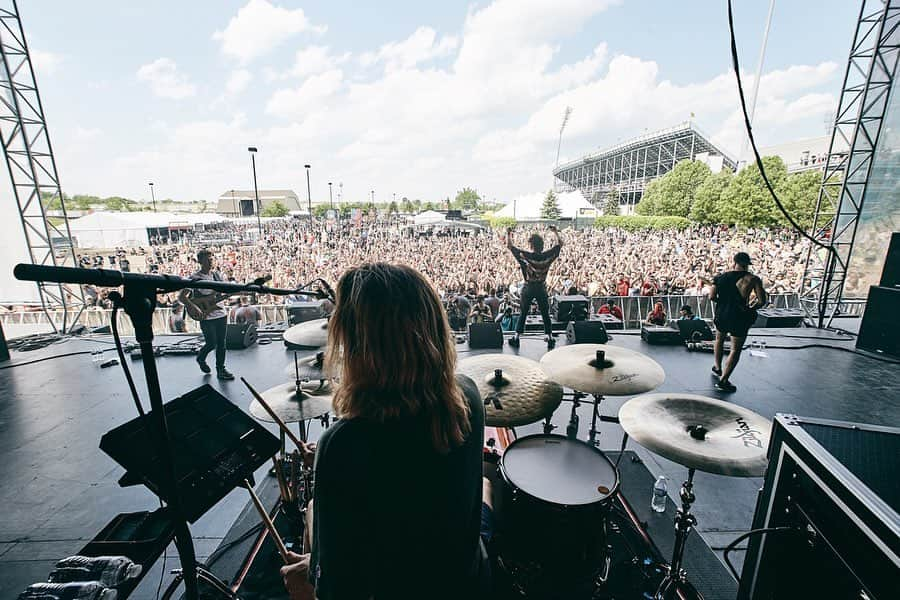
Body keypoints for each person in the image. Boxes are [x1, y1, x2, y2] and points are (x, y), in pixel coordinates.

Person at [280, 263, 491, 600]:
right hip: (466, 574)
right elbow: (416, 487)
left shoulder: (344, 444)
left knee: (308, 526)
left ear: (359, 345)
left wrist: (309, 581)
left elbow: (339, 592)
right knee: (486, 487)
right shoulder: (467, 396)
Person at [709, 252, 767, 393]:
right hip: (740, 316)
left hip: (722, 314)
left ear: (734, 262)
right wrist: (750, 308)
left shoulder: (720, 278)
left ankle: (717, 367)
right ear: (747, 264)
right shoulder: (753, 279)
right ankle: (723, 381)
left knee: (719, 339)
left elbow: (711, 296)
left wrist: (724, 303)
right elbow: (762, 301)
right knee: (735, 349)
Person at [179, 249, 234, 380]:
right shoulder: (194, 278)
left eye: (211, 259)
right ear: (200, 261)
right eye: (207, 259)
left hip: (221, 313)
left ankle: (221, 369)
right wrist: (193, 307)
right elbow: (182, 297)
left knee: (222, 343)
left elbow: (221, 293)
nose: (211, 261)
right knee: (211, 343)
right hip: (206, 316)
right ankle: (201, 358)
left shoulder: (217, 276)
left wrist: (231, 292)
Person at [506, 225, 563, 348]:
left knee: (523, 312)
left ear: (531, 245)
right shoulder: (547, 256)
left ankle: (516, 337)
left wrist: (509, 234)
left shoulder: (525, 256)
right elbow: (560, 244)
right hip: (541, 287)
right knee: (545, 313)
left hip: (529, 287)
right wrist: (555, 232)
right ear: (541, 245)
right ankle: (550, 336)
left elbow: (509, 246)